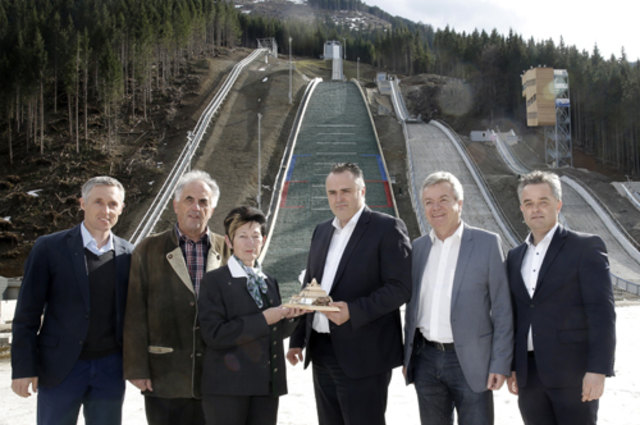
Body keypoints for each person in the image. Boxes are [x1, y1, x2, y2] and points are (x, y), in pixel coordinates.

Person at [286, 162, 412, 425]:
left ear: (362, 191)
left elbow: (401, 288)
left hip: (364, 354)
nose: (338, 198)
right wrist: (298, 337)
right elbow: (311, 286)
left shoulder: (387, 228)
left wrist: (353, 312)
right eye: (332, 192)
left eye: (346, 191)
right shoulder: (322, 231)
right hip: (321, 351)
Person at [11, 176, 132, 425]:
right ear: (82, 203)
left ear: (121, 208)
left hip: (109, 371)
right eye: (98, 202)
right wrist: (23, 368)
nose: (105, 210)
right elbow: (27, 313)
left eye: (112, 204)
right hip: (60, 368)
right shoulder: (49, 248)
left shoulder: (129, 254)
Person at [506, 170, 616, 425]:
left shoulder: (585, 247)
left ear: (558, 204)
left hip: (574, 374)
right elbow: (517, 314)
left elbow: (602, 313)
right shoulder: (514, 257)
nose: (536, 209)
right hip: (529, 376)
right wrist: (513, 365)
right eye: (529, 203)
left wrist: (597, 370)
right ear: (521, 209)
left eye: (543, 202)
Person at [403, 171, 513, 425]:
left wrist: (500, 362)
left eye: (443, 199)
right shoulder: (417, 248)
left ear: (459, 203)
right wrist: (409, 356)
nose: (436, 208)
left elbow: (502, 308)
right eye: (429, 202)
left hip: (472, 362)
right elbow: (411, 307)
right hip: (426, 360)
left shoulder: (487, 243)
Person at [123, 170, 230, 425]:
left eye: (203, 202)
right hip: (165, 375)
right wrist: (137, 368)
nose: (196, 207)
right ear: (176, 205)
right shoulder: (148, 249)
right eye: (189, 200)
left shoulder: (226, 248)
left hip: (214, 377)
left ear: (212, 209)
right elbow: (134, 311)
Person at [198, 206, 305, 425]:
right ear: (229, 241)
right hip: (227, 390)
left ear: (264, 240)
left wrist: (293, 316)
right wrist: (265, 318)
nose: (250, 243)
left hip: (265, 387)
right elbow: (214, 334)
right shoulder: (214, 281)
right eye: (242, 236)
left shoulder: (268, 281)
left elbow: (272, 332)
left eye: (255, 236)